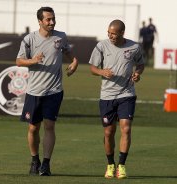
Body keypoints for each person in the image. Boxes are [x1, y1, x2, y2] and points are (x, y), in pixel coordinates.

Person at [16, 6, 78, 176]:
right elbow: (19, 61)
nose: (52, 22)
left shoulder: (61, 37)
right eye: (48, 19)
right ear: (40, 21)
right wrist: (33, 60)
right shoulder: (29, 39)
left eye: (53, 19)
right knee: (33, 129)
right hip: (34, 91)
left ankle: (46, 164)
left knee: (49, 126)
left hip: (54, 90)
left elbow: (68, 53)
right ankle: (34, 159)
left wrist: (74, 62)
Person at [89, 19, 144, 179]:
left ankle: (121, 166)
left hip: (127, 94)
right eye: (109, 33)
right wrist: (101, 72)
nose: (110, 36)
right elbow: (92, 67)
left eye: (113, 33)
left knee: (126, 128)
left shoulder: (134, 47)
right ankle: (110, 165)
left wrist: (138, 73)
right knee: (109, 132)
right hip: (107, 96)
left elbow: (140, 64)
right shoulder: (101, 46)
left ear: (121, 33)